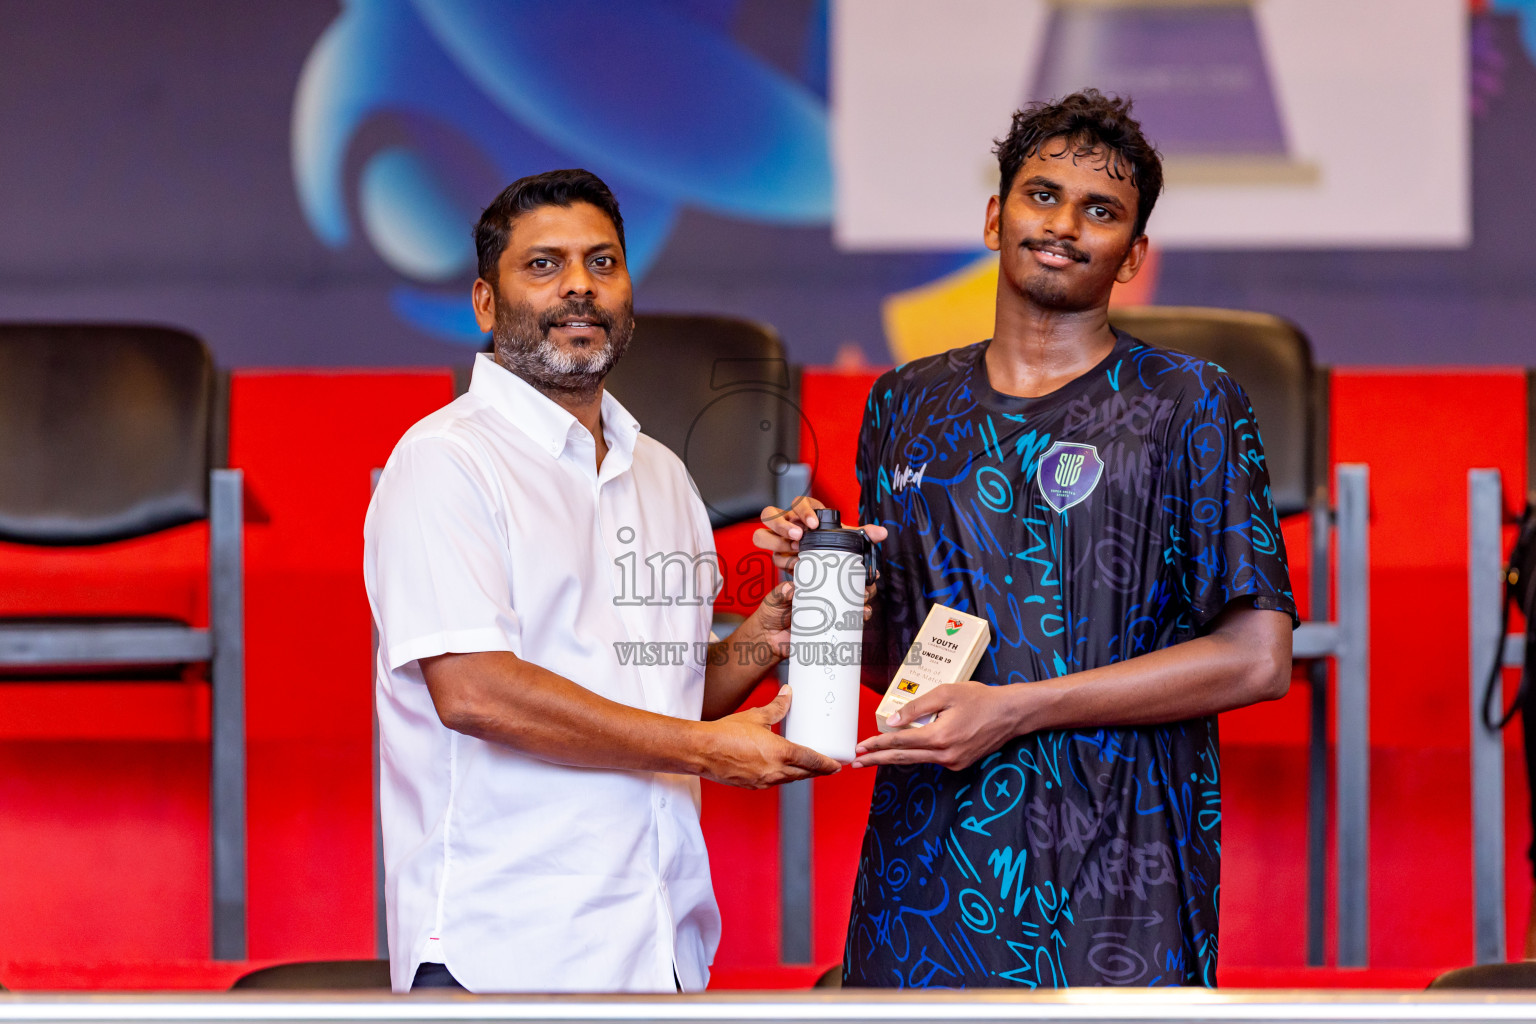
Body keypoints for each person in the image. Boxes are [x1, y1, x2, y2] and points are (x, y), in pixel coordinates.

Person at [756, 91, 1296, 987]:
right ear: (993, 216)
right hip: (929, 857)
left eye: (1102, 210)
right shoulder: (904, 401)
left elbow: (1255, 660)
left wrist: (1016, 708)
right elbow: (900, 661)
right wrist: (821, 587)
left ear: (1134, 255)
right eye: (1042, 195)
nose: (1064, 225)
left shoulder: (1188, 399)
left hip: (1124, 862)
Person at [363, 168, 854, 994]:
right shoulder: (445, 461)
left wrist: (778, 622)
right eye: (545, 265)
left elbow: (672, 693)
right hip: (501, 954)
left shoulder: (661, 473)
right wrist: (707, 754)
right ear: (486, 304)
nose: (580, 287)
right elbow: (477, 692)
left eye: (602, 262)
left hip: (659, 946)